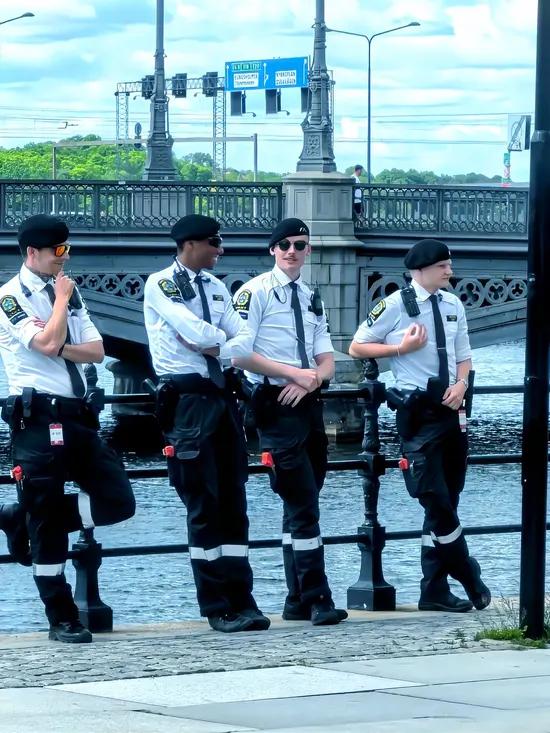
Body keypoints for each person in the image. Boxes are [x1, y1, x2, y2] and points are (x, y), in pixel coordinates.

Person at [0, 214, 136, 643]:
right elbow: (42, 343)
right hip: (38, 418)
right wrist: (59, 305)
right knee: (46, 527)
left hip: (77, 417)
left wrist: (58, 339)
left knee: (118, 500)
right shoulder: (10, 297)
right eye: (58, 250)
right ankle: (62, 618)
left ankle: (21, 517)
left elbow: (96, 351)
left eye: (67, 249)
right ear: (32, 253)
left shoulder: (70, 293)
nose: (65, 257)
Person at [349, 238, 491, 613]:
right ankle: (468, 572)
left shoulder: (453, 304)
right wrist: (400, 349)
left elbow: (464, 356)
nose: (450, 271)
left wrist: (462, 385)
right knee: (435, 499)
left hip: (452, 410)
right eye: (443, 266)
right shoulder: (395, 305)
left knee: (448, 501)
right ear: (420, 270)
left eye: (449, 265)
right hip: (419, 414)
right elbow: (358, 346)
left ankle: (434, 588)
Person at [143, 214, 269, 634]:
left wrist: (214, 344)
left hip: (222, 399)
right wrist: (217, 341)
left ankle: (242, 597)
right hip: (188, 404)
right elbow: (192, 331)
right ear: (191, 244)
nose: (220, 249)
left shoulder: (216, 287)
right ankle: (217, 606)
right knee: (202, 505)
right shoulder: (161, 284)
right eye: (214, 242)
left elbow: (243, 337)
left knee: (234, 501)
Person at [232, 218, 347, 626]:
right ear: (272, 250)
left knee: (303, 499)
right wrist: (294, 374)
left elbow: (327, 358)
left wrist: (312, 378)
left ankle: (296, 599)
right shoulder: (254, 293)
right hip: (275, 404)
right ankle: (318, 598)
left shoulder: (311, 296)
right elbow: (239, 354)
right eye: (284, 245)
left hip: (308, 403)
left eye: (299, 245)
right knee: (303, 503)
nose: (292, 251)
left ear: (309, 250)